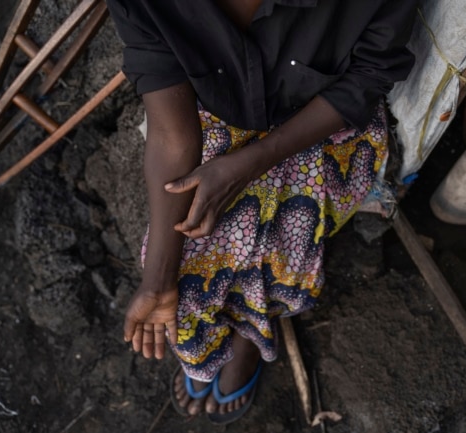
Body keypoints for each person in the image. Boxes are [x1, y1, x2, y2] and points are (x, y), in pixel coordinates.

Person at [106, 0, 417, 425]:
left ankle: (250, 333)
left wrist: (252, 162)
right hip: (214, 118)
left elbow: (367, 78)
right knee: (182, 277)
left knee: (282, 249)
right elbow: (172, 134)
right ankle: (224, 331)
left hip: (326, 128)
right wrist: (158, 280)